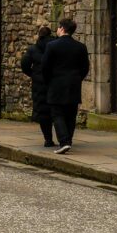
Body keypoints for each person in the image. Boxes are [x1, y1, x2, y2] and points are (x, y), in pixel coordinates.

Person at [42, 18, 90, 155]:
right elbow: (85, 67)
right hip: (74, 84)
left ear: (62, 28)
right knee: (71, 114)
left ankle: (64, 142)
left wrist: (48, 81)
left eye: (58, 27)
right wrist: (77, 78)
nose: (57, 30)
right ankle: (68, 140)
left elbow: (45, 67)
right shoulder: (81, 47)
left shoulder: (52, 46)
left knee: (57, 113)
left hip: (56, 83)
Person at [20, 26, 54, 147]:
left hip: (39, 84)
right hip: (54, 82)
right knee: (57, 111)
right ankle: (65, 139)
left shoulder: (33, 49)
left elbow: (24, 64)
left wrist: (33, 74)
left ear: (39, 35)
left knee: (43, 113)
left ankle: (48, 139)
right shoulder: (55, 47)